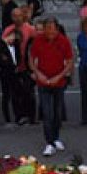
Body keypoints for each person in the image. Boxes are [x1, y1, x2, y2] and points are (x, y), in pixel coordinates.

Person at [30, 18, 73, 156]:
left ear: (57, 28)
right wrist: (38, 74)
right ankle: (49, 142)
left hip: (58, 82)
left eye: (52, 28)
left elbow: (70, 62)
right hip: (43, 82)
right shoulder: (38, 40)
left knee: (57, 112)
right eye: (47, 28)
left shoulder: (63, 40)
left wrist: (59, 77)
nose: (50, 31)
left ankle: (56, 137)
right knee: (47, 113)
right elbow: (31, 59)